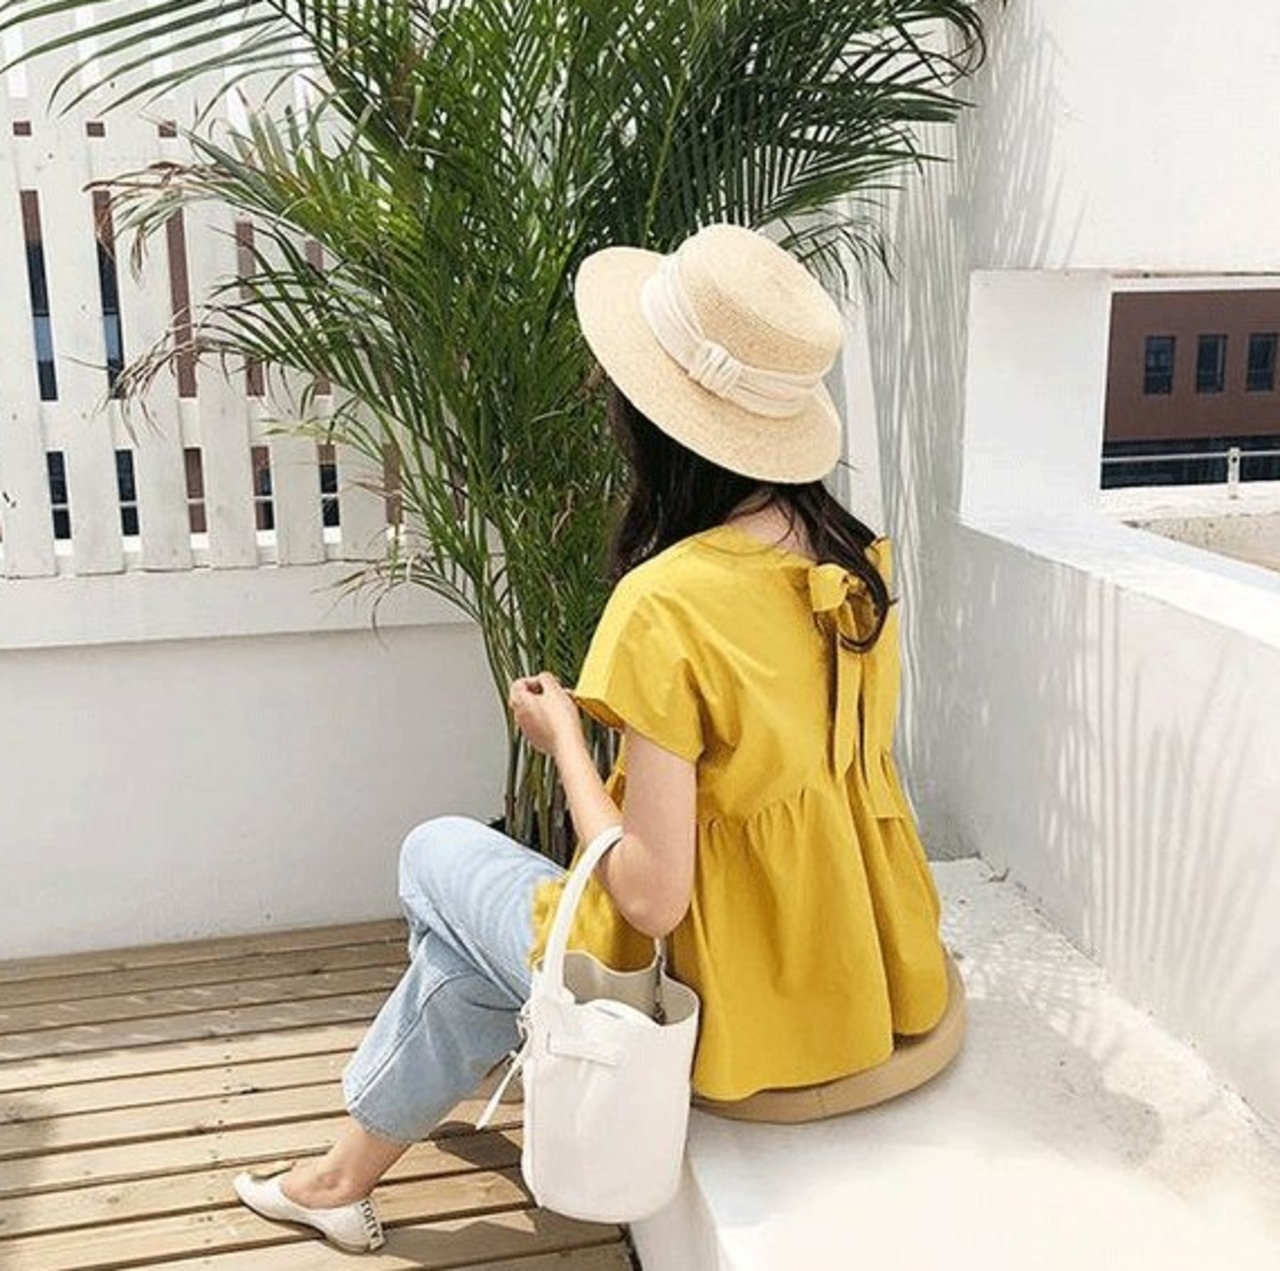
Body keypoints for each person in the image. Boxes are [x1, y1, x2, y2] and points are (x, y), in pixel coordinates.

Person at [233, 222, 950, 1252]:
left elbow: (652, 897)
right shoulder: (855, 560)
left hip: (724, 996)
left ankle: (365, 1150)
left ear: (655, 419)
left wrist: (562, 734)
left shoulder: (670, 601)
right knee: (469, 949)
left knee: (433, 853)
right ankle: (338, 1175)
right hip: (858, 965)